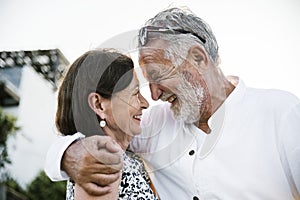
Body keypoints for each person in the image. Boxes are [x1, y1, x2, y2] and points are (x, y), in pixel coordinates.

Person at [45, 7, 300, 199]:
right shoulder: (154, 124)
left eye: (157, 76)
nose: (154, 96)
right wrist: (68, 154)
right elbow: (101, 131)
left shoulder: (281, 112)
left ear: (198, 59)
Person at [49, 48, 159, 199]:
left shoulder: (124, 156)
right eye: (135, 93)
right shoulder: (100, 161)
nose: (145, 103)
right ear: (99, 105)